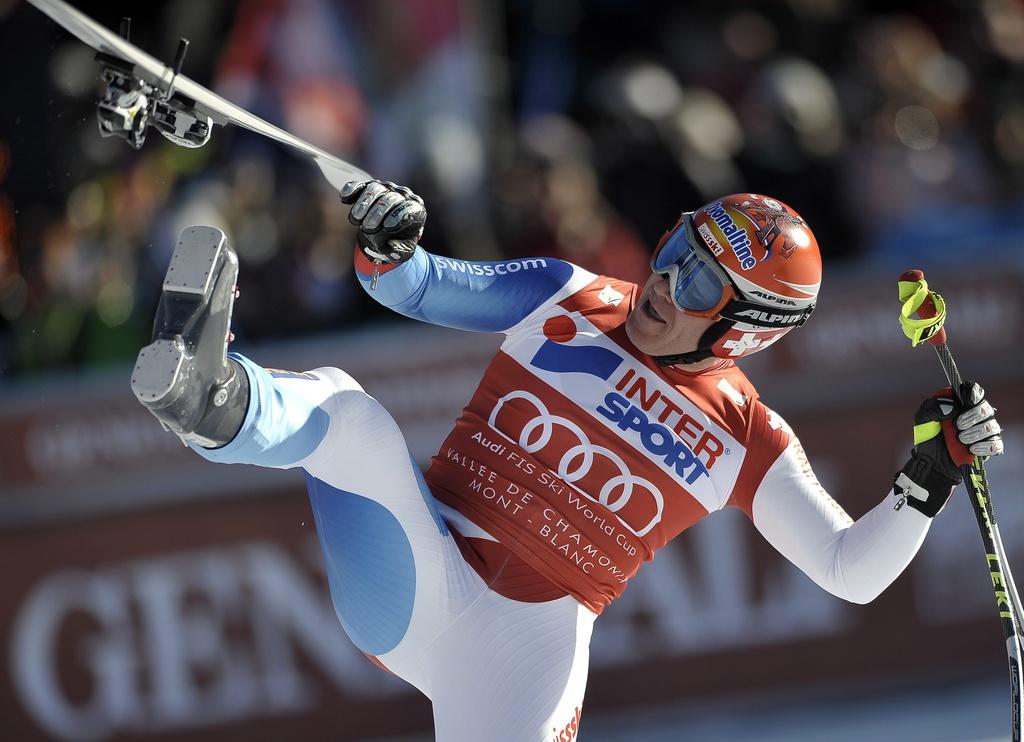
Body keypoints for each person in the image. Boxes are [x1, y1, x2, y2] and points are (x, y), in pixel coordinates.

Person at [131, 182, 1004, 741]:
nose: (663, 282)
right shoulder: (571, 294)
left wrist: (926, 478)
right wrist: (386, 241)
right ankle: (213, 400)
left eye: (698, 285)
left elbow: (849, 570)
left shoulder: (747, 437)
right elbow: (413, 285)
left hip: (521, 654)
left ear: (745, 330)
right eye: (674, 253)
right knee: (351, 415)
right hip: (420, 565)